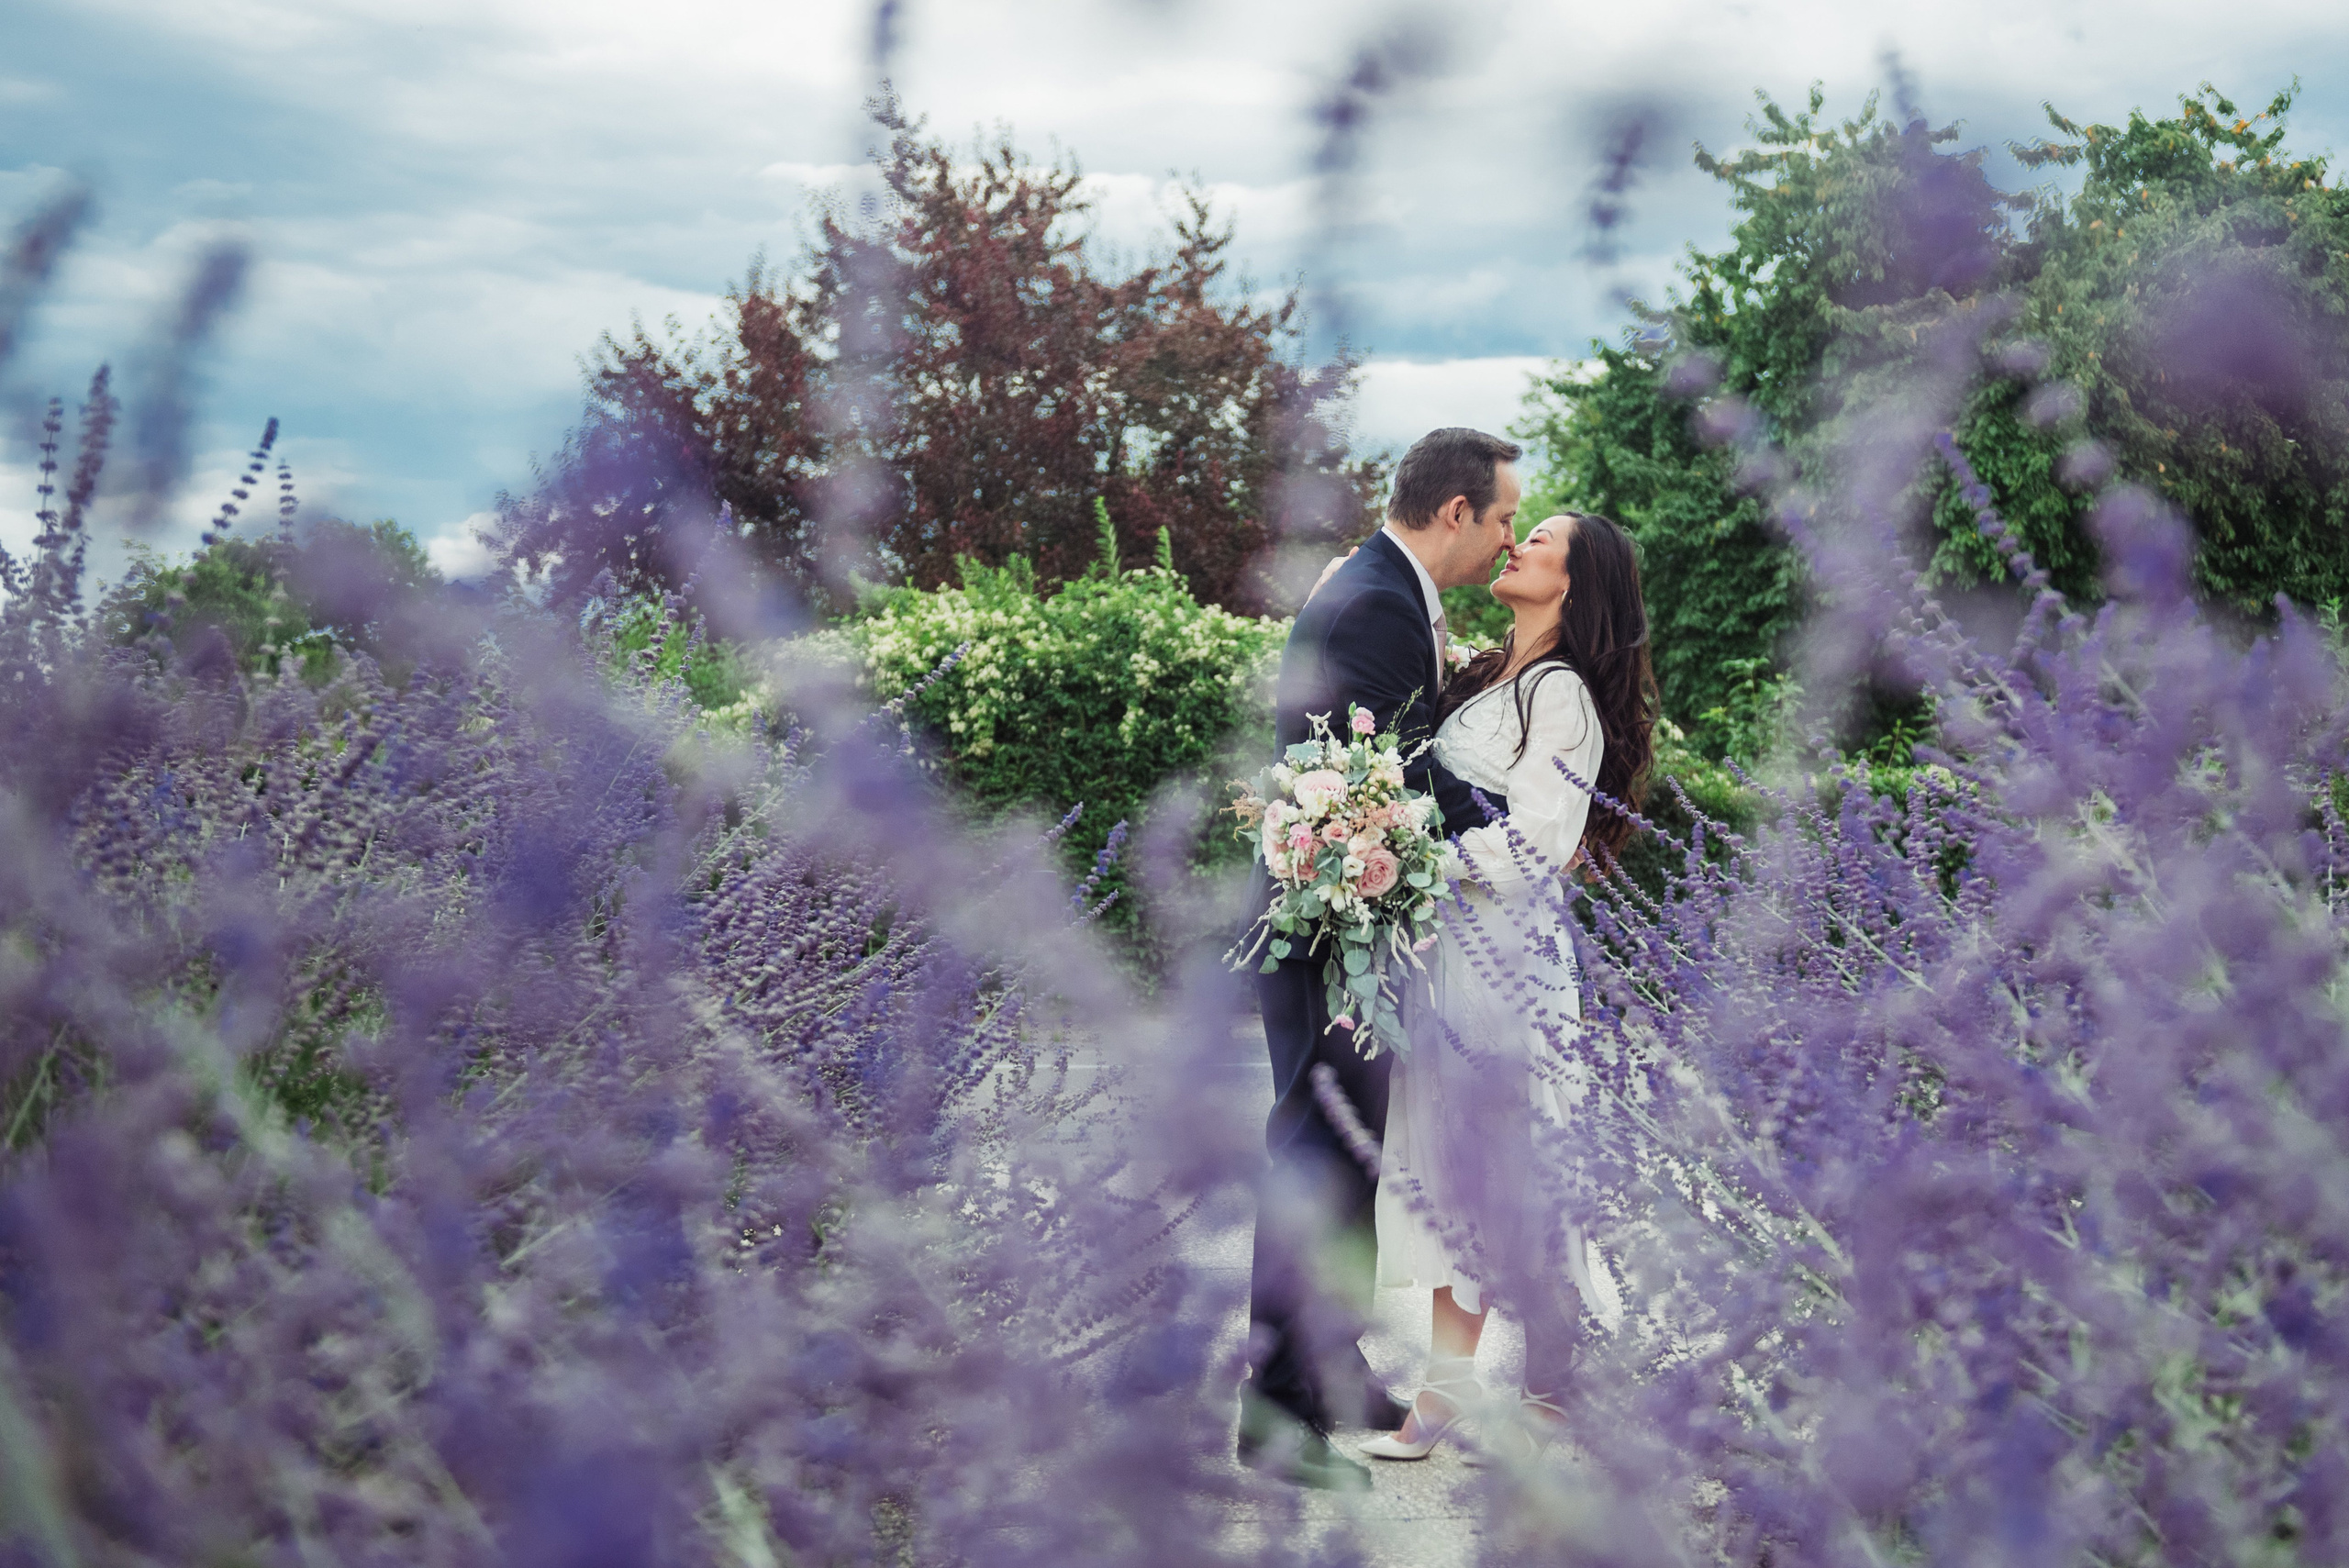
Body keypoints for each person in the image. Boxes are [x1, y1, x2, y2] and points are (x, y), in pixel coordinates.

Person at [1238, 428, 1520, 1490]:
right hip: (1334, 929)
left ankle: (1328, 1367)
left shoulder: (1383, 589)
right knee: (1315, 1161)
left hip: (1347, 919)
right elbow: (1401, 772)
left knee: (1344, 1158)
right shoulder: (1377, 603)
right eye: (1502, 518)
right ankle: (1274, 1415)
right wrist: (1521, 836)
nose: (1506, 540)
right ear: (1455, 511)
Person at [1354, 509, 1656, 1463]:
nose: (1517, 543)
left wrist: (1413, 861)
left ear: (1575, 580)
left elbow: (1538, 845)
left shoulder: (1560, 695)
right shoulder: (1487, 676)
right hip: (1447, 952)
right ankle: (1469, 1387)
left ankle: (1533, 1390)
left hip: (1504, 960)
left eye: (1542, 540)